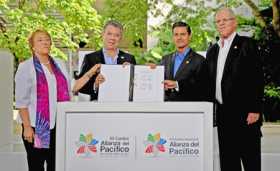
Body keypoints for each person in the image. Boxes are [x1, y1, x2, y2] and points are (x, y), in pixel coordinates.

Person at [205, 7, 264, 171]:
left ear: (235, 22)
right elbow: (205, 80)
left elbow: (257, 78)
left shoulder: (247, 44)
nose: (221, 23)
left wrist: (255, 109)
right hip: (224, 116)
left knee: (251, 162)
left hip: (246, 116)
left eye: (225, 20)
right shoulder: (213, 50)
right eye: (218, 21)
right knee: (229, 163)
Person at [15, 29, 70, 171]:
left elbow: (71, 89)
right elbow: (21, 101)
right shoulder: (26, 67)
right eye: (40, 40)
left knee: (56, 165)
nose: (45, 42)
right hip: (35, 126)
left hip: (58, 126)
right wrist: (27, 127)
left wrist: (89, 75)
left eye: (47, 39)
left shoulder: (59, 64)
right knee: (36, 166)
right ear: (32, 46)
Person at [77, 20, 136, 100]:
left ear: (120, 38)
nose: (112, 38)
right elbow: (80, 87)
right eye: (109, 34)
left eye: (116, 35)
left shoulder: (129, 58)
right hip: (98, 107)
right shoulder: (90, 58)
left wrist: (132, 73)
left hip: (123, 106)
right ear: (103, 35)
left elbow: (136, 86)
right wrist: (95, 85)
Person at [161, 21, 205, 101]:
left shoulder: (199, 60)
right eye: (176, 34)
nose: (179, 38)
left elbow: (202, 87)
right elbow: (159, 82)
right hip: (166, 109)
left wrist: (177, 85)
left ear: (189, 36)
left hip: (189, 109)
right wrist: (152, 70)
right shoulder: (165, 59)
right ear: (173, 37)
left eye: (183, 34)